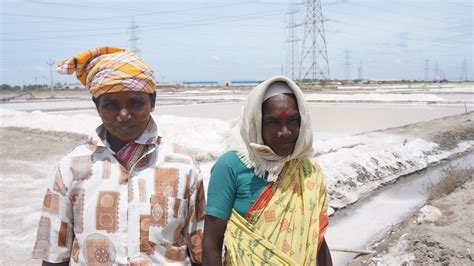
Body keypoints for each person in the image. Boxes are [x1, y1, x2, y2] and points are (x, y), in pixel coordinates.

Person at [31, 47, 205, 265]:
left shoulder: (182, 164)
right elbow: (54, 253)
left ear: (152, 102)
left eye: (135, 103)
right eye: (111, 105)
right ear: (97, 106)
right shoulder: (72, 166)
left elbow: (200, 247)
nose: (124, 115)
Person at [203, 76, 332, 265]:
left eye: (294, 120)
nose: (285, 132)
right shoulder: (231, 166)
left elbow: (315, 240)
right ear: (256, 123)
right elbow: (211, 245)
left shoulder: (309, 171)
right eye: (273, 122)